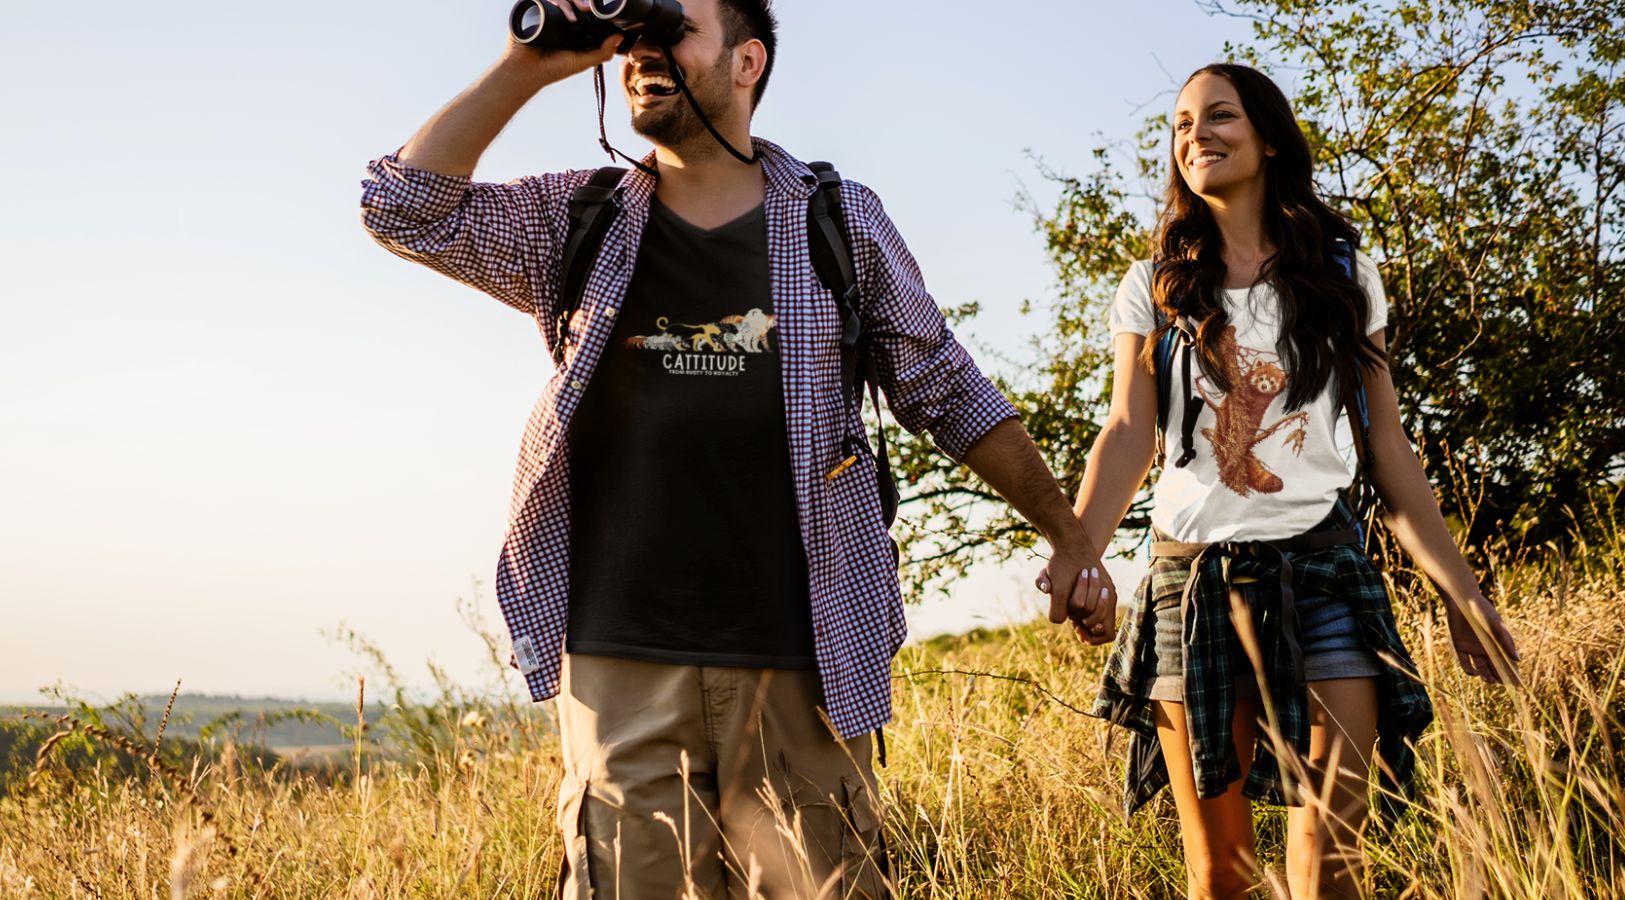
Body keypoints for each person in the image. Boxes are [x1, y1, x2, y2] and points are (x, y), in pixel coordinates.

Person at [359, 1, 1116, 895]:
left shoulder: (836, 222)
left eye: (671, 26)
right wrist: (530, 63)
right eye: (633, 32)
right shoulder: (579, 219)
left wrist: (1069, 534)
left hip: (803, 657)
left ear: (747, 60)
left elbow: (945, 391)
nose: (642, 46)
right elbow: (400, 207)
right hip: (618, 663)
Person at [1064, 64, 1522, 899]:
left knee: (1333, 869)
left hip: (1323, 573)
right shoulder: (1155, 288)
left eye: (1219, 116)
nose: (1195, 134)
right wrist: (1080, 553)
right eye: (1180, 124)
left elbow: (1389, 451)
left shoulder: (1344, 275)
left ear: (1269, 136)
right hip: (1189, 585)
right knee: (1221, 877)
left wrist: (1463, 594)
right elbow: (1129, 435)